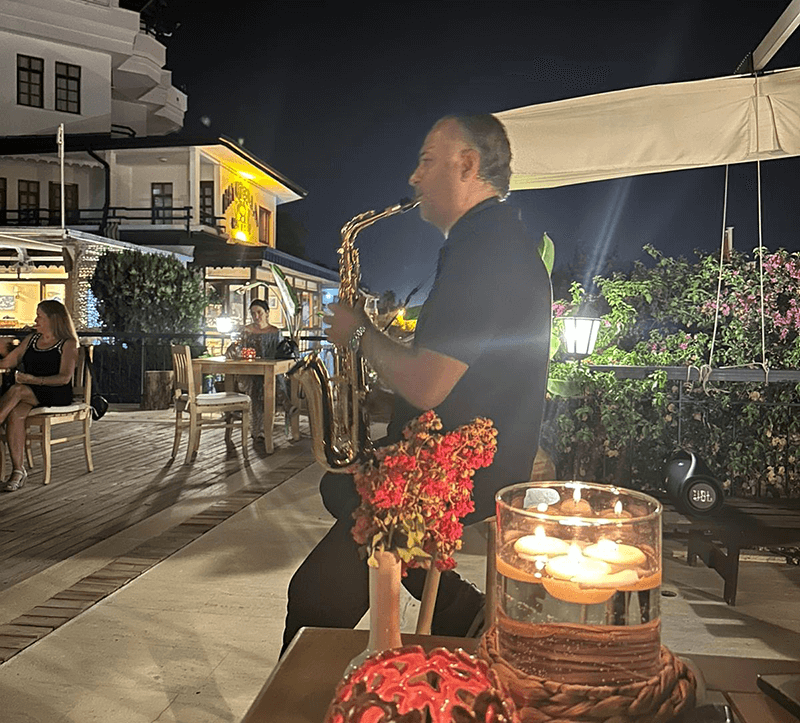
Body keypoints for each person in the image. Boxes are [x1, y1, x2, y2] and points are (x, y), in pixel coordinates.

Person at [281, 114, 552, 651]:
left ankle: (307, 679)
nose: (414, 176)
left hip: (455, 469)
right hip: (455, 453)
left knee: (314, 598)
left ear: (467, 165)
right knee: (338, 487)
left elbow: (428, 384)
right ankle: (460, 611)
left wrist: (359, 332)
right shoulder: (490, 242)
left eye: (428, 160)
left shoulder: (487, 253)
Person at [0, 300, 79, 492]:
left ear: (53, 319)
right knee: (15, 414)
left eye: (39, 317)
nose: (35, 320)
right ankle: (18, 471)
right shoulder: (32, 339)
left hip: (55, 391)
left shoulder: (68, 344)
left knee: (17, 390)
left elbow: (64, 378)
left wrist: (34, 380)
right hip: (29, 392)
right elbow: (8, 362)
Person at [226, 298, 292, 440]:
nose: (256, 316)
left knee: (271, 380)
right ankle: (285, 405)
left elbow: (281, 353)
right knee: (257, 384)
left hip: (270, 372)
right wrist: (234, 347)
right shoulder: (246, 331)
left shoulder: (275, 332)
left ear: (267, 313)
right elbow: (236, 351)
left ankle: (261, 430)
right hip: (249, 372)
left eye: (259, 312)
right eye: (253, 313)